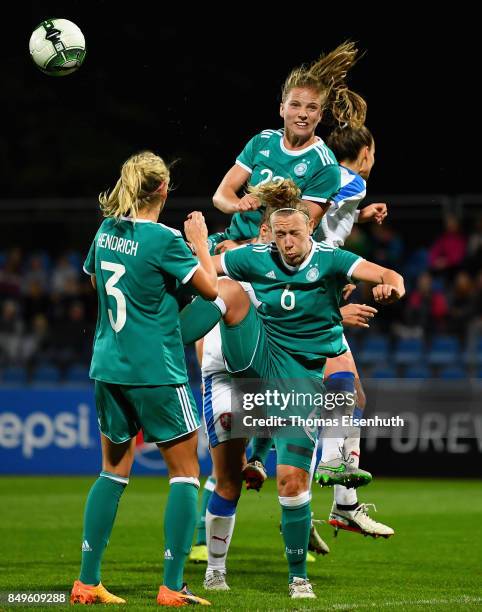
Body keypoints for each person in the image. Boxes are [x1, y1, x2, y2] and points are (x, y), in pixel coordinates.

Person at [180, 179, 405, 599]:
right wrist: (194, 247)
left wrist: (392, 285)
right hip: (247, 368)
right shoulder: (253, 256)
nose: (286, 242)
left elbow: (387, 272)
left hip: (295, 381)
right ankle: (214, 569)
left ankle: (298, 575)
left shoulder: (332, 259)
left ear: (309, 233)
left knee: (292, 482)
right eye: (279, 233)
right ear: (270, 231)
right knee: (225, 480)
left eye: (294, 234)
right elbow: (201, 273)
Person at [69, 151, 217, 606]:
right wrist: (200, 244)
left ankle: (87, 581)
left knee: (112, 471)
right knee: (187, 474)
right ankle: (172, 587)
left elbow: (97, 284)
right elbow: (210, 291)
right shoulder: (166, 240)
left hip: (108, 368)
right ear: (164, 190)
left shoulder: (106, 230)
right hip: (157, 371)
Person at [247, 126, 395, 538]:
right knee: (332, 396)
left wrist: (359, 214)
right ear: (366, 152)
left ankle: (332, 502)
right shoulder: (345, 179)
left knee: (345, 397)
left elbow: (322, 218)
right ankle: (319, 498)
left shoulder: (344, 188)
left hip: (307, 297)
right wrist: (327, 295)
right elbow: (302, 225)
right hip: (304, 302)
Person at [210, 40, 367, 254]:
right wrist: (238, 204)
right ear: (282, 109)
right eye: (295, 105)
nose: (302, 114)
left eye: (311, 108)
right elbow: (221, 196)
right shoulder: (262, 141)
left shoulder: (325, 165)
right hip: (230, 241)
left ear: (320, 115)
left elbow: (297, 233)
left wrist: (242, 248)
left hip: (270, 256)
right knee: (178, 259)